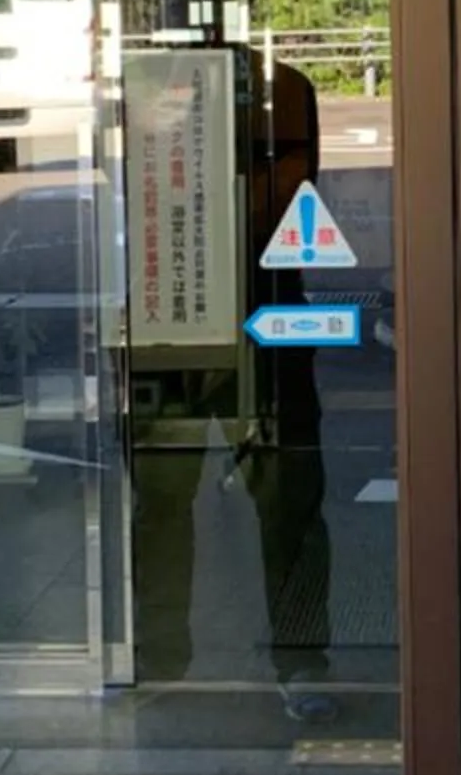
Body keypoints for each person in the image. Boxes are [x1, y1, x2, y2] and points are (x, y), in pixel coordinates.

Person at [128, 36, 335, 717]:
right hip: (186, 320)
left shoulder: (279, 89)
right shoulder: (158, 88)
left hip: (238, 317)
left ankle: (293, 659)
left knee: (285, 503)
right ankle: (165, 658)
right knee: (175, 504)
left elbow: (284, 195)